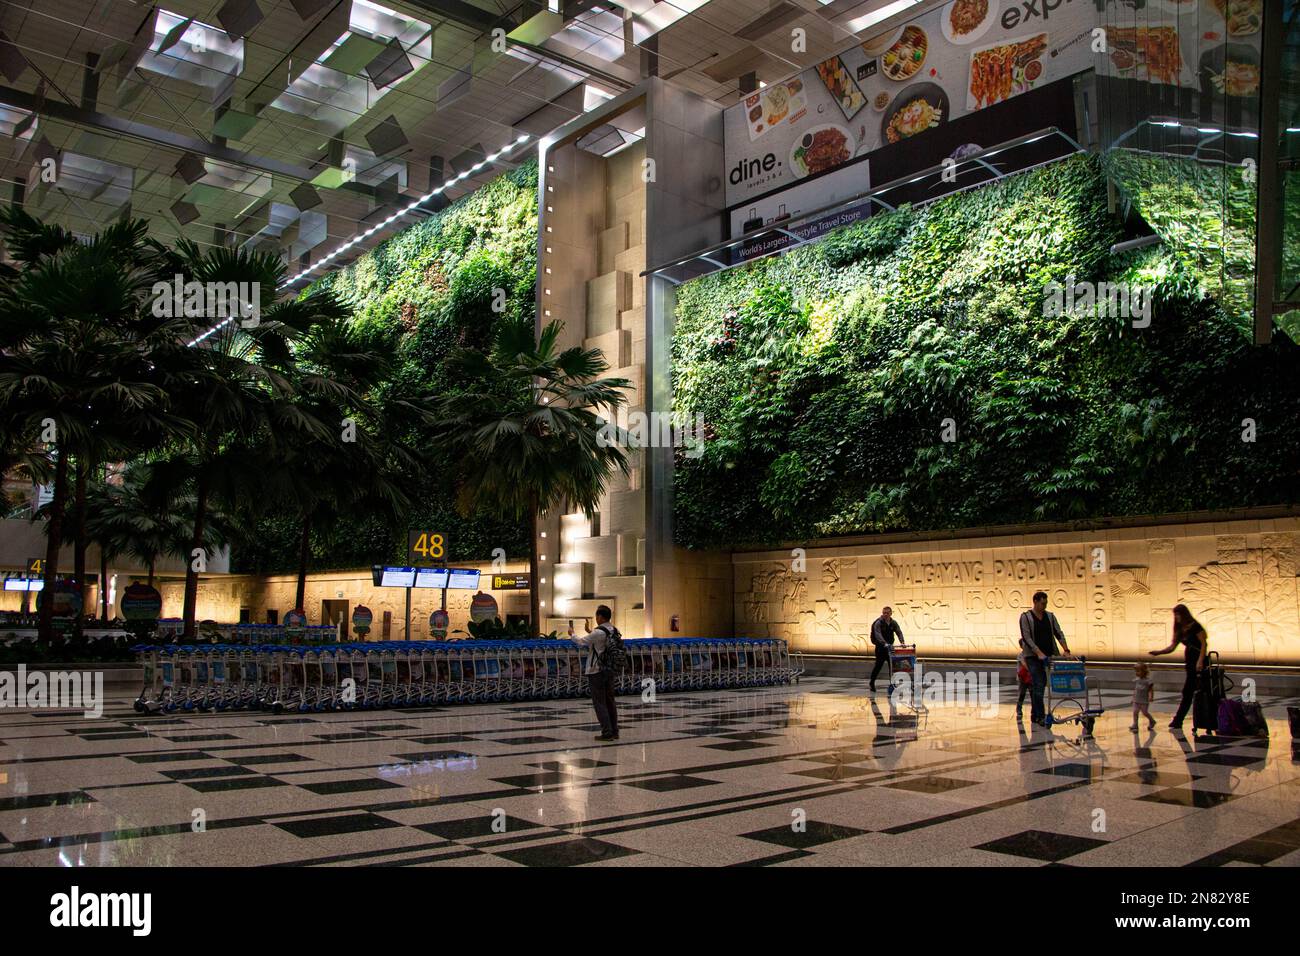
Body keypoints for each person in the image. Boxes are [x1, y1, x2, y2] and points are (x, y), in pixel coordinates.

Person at [1149, 603, 1207, 731]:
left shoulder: (1195, 626)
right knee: (1188, 692)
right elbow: (1172, 647)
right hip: (1190, 662)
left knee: (1198, 691)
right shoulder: (1180, 630)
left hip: (1199, 661)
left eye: (1178, 614)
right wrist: (1159, 652)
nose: (1177, 617)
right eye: (1175, 615)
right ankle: (1178, 720)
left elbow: (1203, 643)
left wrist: (1200, 661)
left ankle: (1179, 720)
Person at [1018, 591, 1072, 726]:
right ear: (1035, 602)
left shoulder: (1050, 617)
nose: (1044, 606)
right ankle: (1040, 715)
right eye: (1042, 603)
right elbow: (1027, 638)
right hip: (1033, 657)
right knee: (1039, 683)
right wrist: (1038, 652)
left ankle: (1035, 714)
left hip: (1048, 656)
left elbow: (1058, 632)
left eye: (1046, 603)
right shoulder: (1026, 617)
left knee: (1042, 685)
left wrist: (1066, 650)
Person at [568, 604, 620, 741]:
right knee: (610, 701)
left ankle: (606, 732)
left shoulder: (598, 632)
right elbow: (601, 643)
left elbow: (580, 642)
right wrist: (589, 630)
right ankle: (615, 731)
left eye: (597, 616)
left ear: (601, 617)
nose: (596, 618)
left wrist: (572, 633)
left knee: (599, 702)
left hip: (596, 670)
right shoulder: (614, 630)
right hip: (610, 669)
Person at [869, 606, 904, 693]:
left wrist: (902, 642)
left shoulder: (893, 623)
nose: (885, 614)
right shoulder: (878, 623)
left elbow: (899, 632)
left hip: (890, 648)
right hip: (881, 648)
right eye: (884, 613)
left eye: (887, 613)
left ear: (891, 613)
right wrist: (884, 643)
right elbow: (878, 634)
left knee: (892, 667)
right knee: (878, 666)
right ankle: (872, 682)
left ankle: (892, 684)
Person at [1130, 661, 1156, 732]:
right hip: (1136, 700)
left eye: (1138, 671)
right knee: (1135, 712)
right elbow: (1135, 690)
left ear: (1144, 671)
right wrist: (1133, 698)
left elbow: (1151, 690)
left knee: (1145, 712)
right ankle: (1135, 724)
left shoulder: (1148, 681)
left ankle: (1152, 721)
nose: (1137, 673)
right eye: (1136, 671)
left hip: (1144, 700)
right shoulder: (1137, 680)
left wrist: (1151, 697)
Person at [1015, 637, 1033, 718]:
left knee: (1033, 694)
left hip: (1030, 677)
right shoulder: (1021, 655)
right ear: (1021, 646)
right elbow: (1024, 665)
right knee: (1022, 694)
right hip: (1022, 678)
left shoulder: (1031, 655)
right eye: (1024, 644)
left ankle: (1034, 710)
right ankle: (1019, 709)